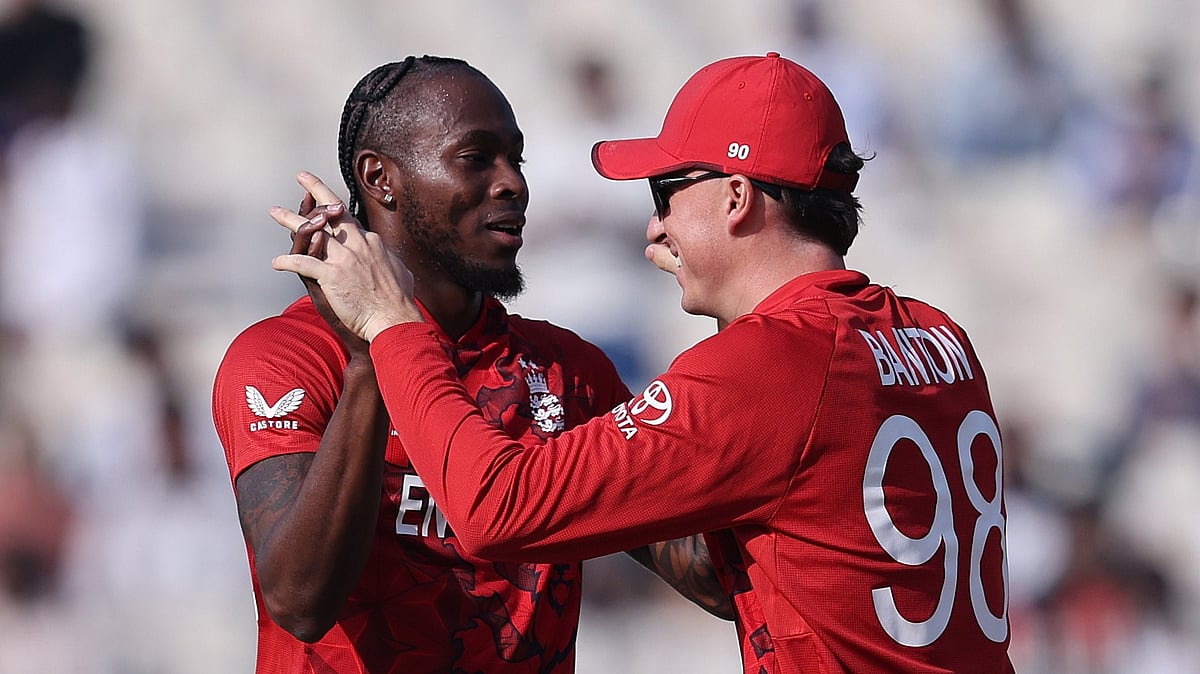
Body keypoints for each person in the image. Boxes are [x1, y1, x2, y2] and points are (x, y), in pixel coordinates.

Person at [274, 53, 1014, 673]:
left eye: (666, 191)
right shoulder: (936, 334)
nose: (655, 223)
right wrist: (735, 294)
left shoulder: (768, 367)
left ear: (735, 197)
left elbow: (495, 511)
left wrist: (390, 324)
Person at [213, 56, 727, 673]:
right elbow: (300, 600)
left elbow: (709, 577)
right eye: (476, 158)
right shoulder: (285, 358)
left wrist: (744, 309)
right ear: (381, 179)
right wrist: (373, 353)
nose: (513, 183)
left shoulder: (571, 370)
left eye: (517, 159)